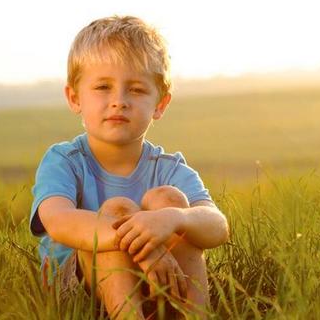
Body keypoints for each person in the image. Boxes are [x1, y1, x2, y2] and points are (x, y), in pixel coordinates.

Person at [29, 16, 229, 319]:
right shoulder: (64, 161)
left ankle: (193, 315)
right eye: (103, 87)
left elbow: (217, 226)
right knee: (117, 207)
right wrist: (146, 246)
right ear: (74, 97)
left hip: (161, 280)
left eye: (136, 90)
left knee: (171, 201)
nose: (119, 101)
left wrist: (173, 219)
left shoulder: (169, 167)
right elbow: (58, 220)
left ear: (160, 104)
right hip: (79, 293)